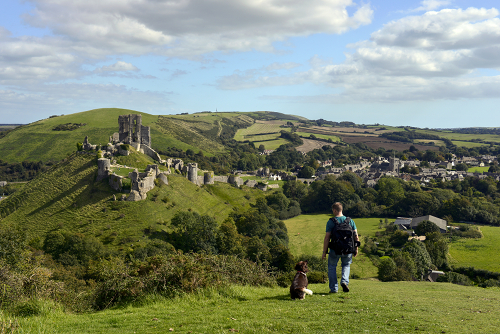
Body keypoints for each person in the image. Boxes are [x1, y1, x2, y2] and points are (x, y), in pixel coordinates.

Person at [322, 202, 359, 293]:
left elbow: (327, 238)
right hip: (348, 249)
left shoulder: (331, 222)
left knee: (332, 267)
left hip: (335, 249)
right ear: (341, 209)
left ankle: (334, 289)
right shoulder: (350, 221)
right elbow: (356, 236)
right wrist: (356, 248)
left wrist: (324, 252)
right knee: (346, 265)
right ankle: (344, 281)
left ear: (335, 210)